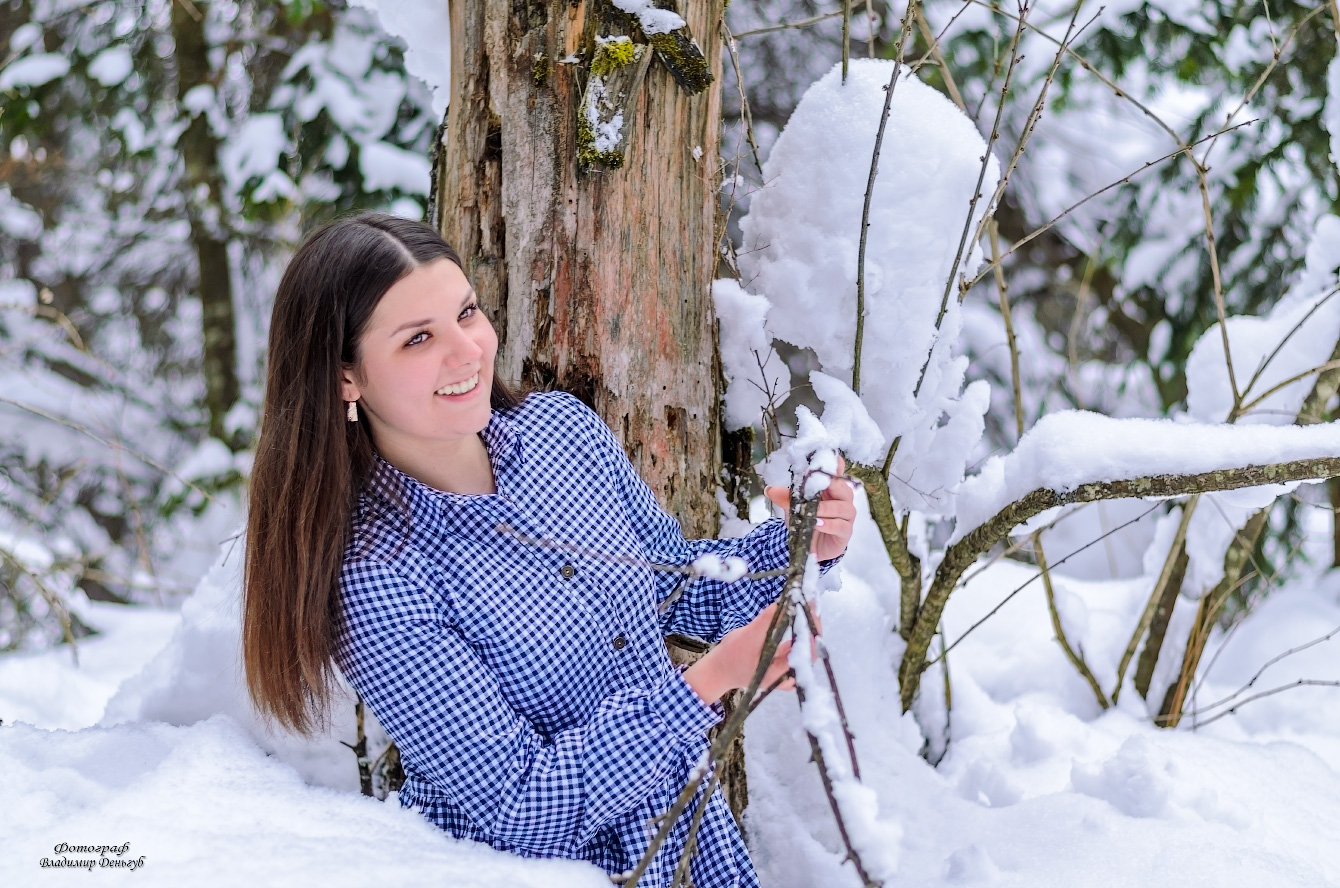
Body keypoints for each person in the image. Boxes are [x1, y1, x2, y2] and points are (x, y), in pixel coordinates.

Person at [241, 212, 856, 888]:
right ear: (345, 380)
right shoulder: (378, 577)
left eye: (466, 313)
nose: (466, 351)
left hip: (689, 846)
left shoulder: (560, 432)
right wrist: (704, 686)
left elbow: (676, 586)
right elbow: (517, 806)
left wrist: (804, 542)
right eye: (418, 338)